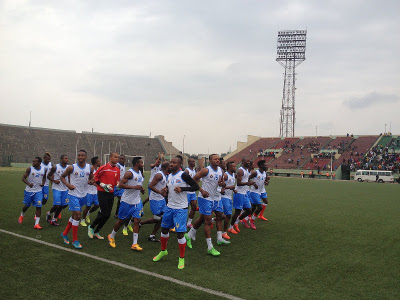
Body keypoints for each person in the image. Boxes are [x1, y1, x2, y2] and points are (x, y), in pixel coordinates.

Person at [152, 156, 199, 269]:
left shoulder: (183, 175)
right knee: (164, 229)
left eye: (174, 162)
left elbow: (195, 186)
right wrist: (165, 191)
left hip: (181, 209)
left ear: (180, 164)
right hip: (169, 207)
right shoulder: (169, 176)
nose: (171, 164)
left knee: (179, 234)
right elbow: (170, 189)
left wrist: (183, 189)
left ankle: (181, 258)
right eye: (171, 162)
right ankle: (163, 251)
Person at [185, 154, 230, 257]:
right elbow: (194, 180)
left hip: (215, 198)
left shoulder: (221, 171)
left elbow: (222, 184)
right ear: (210, 160)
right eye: (215, 159)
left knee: (213, 217)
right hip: (204, 198)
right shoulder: (206, 170)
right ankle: (210, 247)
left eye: (218, 159)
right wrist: (201, 190)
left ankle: (189, 235)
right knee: (208, 221)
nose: (217, 160)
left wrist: (221, 184)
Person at [108, 157, 145, 251]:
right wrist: (134, 187)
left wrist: (141, 189)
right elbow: (120, 185)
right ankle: (111, 236)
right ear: (137, 163)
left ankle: (134, 244)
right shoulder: (129, 173)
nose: (143, 164)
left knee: (137, 221)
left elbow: (138, 185)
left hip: (137, 201)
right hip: (127, 201)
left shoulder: (140, 172)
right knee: (121, 221)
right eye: (141, 162)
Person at [60, 150, 92, 249]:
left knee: (74, 216)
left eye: (82, 155)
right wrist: (68, 185)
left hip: (83, 195)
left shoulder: (89, 167)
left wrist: (91, 181)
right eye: (79, 155)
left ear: (86, 157)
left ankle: (64, 233)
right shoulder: (71, 167)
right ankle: (75, 240)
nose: (80, 157)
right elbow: (62, 177)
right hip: (73, 194)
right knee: (78, 215)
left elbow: (91, 179)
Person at [88, 152, 120, 240]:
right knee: (104, 212)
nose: (116, 159)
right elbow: (95, 177)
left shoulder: (117, 169)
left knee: (108, 214)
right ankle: (91, 227)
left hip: (111, 193)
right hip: (102, 193)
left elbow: (117, 180)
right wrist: (102, 184)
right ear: (110, 158)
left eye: (117, 157)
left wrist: (118, 184)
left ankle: (97, 231)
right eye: (115, 157)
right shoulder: (103, 168)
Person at [140, 161, 170, 242]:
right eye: (170, 166)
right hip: (155, 199)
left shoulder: (165, 175)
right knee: (157, 218)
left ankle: (152, 236)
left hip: (161, 199)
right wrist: (160, 192)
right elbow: (150, 186)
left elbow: (162, 186)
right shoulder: (159, 175)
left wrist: (165, 189)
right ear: (167, 167)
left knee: (162, 218)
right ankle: (140, 223)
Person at [228, 157, 255, 234]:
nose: (249, 162)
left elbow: (245, 180)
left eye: (249, 161)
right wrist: (247, 183)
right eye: (247, 161)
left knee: (249, 210)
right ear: (243, 162)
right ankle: (231, 227)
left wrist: (249, 182)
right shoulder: (240, 171)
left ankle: (236, 222)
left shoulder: (246, 170)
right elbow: (239, 183)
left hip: (244, 193)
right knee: (237, 211)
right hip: (239, 193)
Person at [18, 157, 46, 229]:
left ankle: (36, 224)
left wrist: (43, 183)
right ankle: (22, 215)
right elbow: (23, 178)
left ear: (39, 163)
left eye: (34, 161)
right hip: (29, 191)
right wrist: (28, 184)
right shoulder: (29, 169)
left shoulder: (43, 170)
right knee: (26, 206)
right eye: (33, 161)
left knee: (39, 207)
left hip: (38, 191)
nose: (33, 162)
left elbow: (44, 177)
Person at [46, 154, 69, 226]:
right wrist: (54, 181)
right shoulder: (55, 167)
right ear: (61, 159)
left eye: (67, 158)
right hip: (57, 188)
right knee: (57, 205)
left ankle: (53, 219)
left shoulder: (69, 168)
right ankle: (49, 213)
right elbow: (48, 176)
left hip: (65, 189)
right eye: (66, 158)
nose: (67, 160)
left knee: (62, 206)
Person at [80, 156, 101, 226]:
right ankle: (82, 220)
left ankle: (88, 214)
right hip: (89, 191)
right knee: (88, 206)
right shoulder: (90, 170)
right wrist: (91, 182)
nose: (100, 162)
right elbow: (87, 180)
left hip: (95, 191)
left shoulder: (98, 170)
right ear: (96, 162)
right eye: (99, 161)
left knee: (97, 205)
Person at [248, 160, 268, 229]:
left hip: (261, 191)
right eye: (265, 165)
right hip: (254, 192)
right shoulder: (255, 173)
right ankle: (251, 220)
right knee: (259, 207)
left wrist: (266, 182)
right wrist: (253, 183)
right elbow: (247, 179)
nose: (267, 166)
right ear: (261, 166)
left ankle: (246, 219)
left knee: (254, 206)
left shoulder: (265, 173)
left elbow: (265, 180)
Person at [220, 161, 236, 239]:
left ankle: (211, 220)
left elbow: (231, 186)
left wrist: (234, 190)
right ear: (230, 167)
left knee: (222, 216)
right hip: (224, 197)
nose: (235, 168)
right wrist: (229, 188)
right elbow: (220, 187)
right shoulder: (225, 175)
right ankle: (224, 232)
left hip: (230, 197)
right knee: (228, 215)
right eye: (234, 167)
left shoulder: (233, 175)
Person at [185, 157, 197, 228]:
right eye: (192, 162)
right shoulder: (187, 171)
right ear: (189, 163)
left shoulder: (194, 170)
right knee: (185, 208)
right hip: (187, 192)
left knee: (194, 207)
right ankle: (182, 222)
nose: (194, 163)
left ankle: (189, 223)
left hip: (193, 192)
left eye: (194, 161)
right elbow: (184, 180)